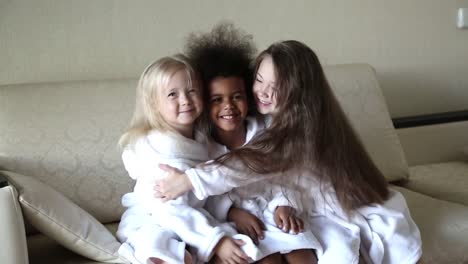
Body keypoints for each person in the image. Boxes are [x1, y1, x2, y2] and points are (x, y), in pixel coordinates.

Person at [156, 41, 423, 264]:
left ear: (299, 91)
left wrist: (189, 180)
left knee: (343, 252)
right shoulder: (259, 124)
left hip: (336, 206)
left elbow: (252, 161)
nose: (264, 91)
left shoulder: (301, 126)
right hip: (301, 206)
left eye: (277, 85)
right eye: (260, 80)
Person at [185, 23, 321, 263]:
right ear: (205, 104)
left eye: (237, 96)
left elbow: (286, 175)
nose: (228, 106)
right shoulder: (200, 144)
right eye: (217, 99)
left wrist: (283, 205)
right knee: (266, 259)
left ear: (248, 97)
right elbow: (203, 194)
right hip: (232, 219)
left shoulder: (264, 131)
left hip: (272, 210)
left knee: (303, 255)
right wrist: (231, 211)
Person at [115, 54, 255, 264]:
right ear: (154, 104)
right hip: (154, 221)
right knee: (167, 252)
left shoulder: (201, 142)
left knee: (242, 249)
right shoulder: (161, 156)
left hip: (189, 221)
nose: (185, 100)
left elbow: (206, 190)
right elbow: (170, 210)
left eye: (191, 91)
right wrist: (216, 241)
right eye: (172, 94)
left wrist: (230, 211)